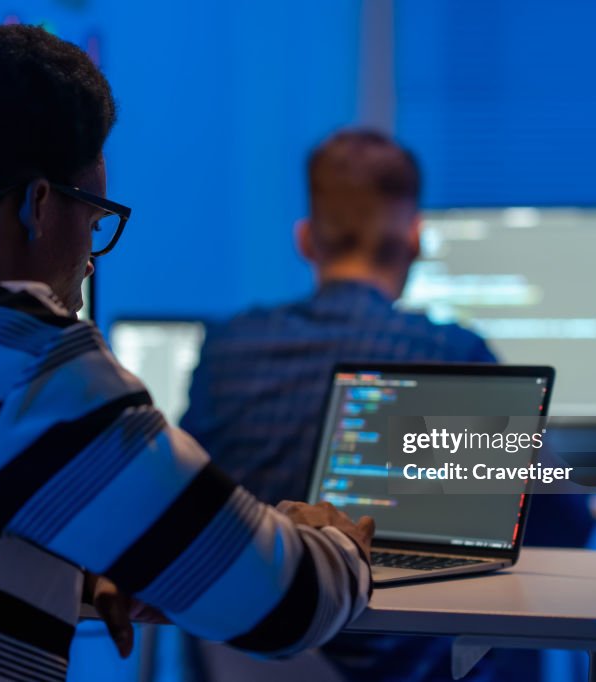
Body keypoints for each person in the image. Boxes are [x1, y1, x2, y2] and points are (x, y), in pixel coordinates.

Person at [0, 25, 375, 681]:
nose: (90, 260)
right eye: (93, 219)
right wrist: (339, 543)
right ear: (38, 205)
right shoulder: (22, 359)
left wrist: (76, 570)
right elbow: (284, 605)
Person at [180, 130, 496, 681]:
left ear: (305, 240)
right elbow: (559, 525)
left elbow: (187, 499)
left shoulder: (227, 347)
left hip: (242, 663)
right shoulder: (456, 356)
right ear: (416, 240)